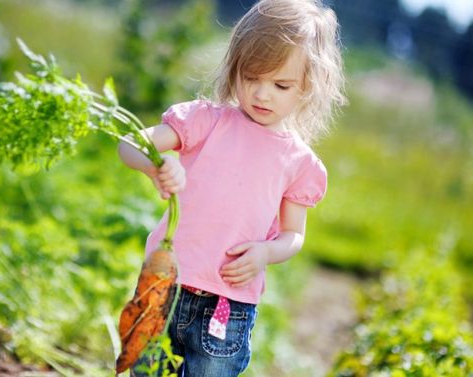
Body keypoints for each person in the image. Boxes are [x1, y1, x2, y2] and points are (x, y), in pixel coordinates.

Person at [117, 0, 346, 375]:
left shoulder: (298, 162)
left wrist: (265, 253)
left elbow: (293, 235)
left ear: (309, 85)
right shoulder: (206, 121)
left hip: (229, 305)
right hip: (165, 285)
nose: (262, 94)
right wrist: (156, 165)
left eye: (280, 84)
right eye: (250, 78)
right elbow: (128, 143)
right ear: (234, 68)